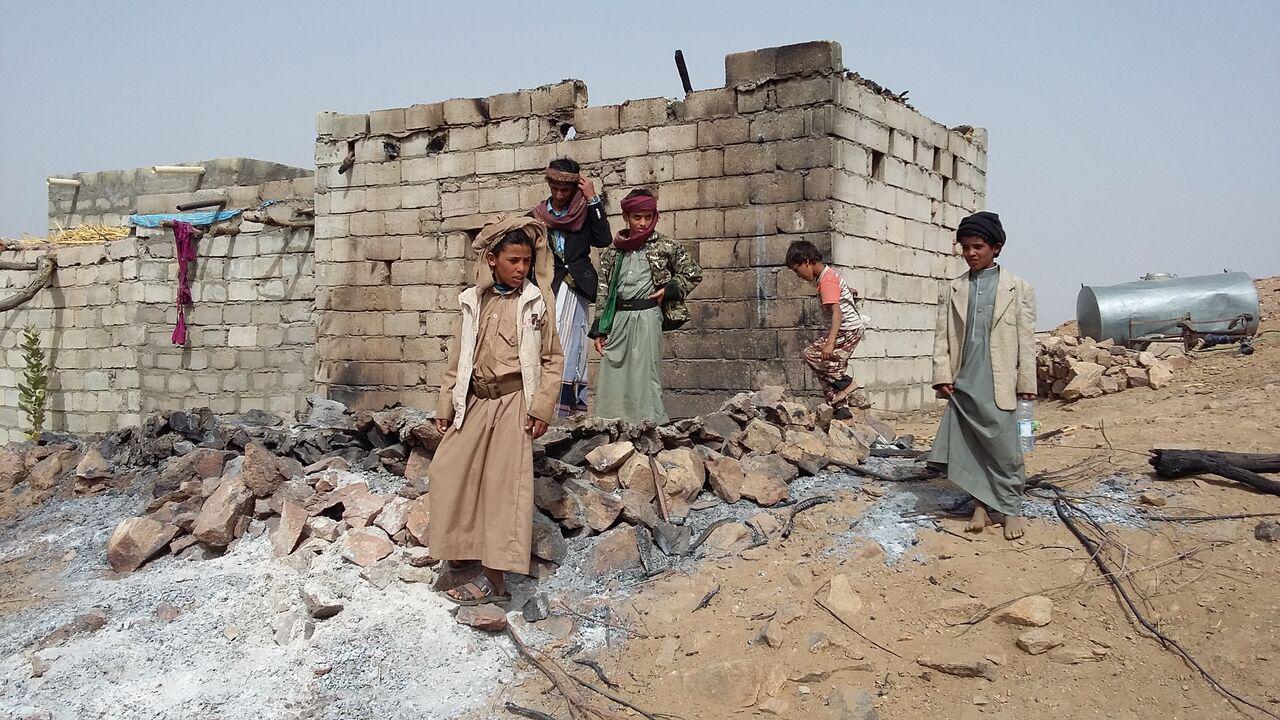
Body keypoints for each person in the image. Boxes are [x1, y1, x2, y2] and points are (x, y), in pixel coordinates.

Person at [429, 216, 564, 605]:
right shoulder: (474, 301)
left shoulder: (536, 303)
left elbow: (554, 359)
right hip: (474, 402)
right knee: (449, 470)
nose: (521, 269)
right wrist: (446, 400)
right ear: (492, 260)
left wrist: (541, 407)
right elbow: (459, 356)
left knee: (504, 487)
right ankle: (463, 557)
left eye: (525, 261)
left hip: (513, 403)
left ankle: (494, 579)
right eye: (513, 261)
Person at [927, 211, 1037, 540]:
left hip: (1000, 380)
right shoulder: (954, 289)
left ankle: (1010, 508)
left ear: (996, 248)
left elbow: (1026, 340)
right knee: (970, 447)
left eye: (977, 247)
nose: (971, 253)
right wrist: (942, 374)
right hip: (964, 381)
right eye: (965, 247)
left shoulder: (1019, 289)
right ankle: (980, 506)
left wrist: (1026, 384)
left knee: (1006, 447)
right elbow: (942, 336)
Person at [589, 189, 701, 424]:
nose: (642, 223)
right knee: (613, 367)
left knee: (645, 372)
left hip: (648, 314)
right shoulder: (613, 251)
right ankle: (611, 423)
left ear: (654, 217)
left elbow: (693, 273)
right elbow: (604, 290)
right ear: (626, 217)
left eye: (647, 217)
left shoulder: (664, 246)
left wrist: (669, 290)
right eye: (637, 217)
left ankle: (652, 425)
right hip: (619, 317)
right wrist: (600, 327)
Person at [531, 158, 612, 417]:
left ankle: (567, 410)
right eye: (554, 188)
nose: (559, 194)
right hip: (548, 287)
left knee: (571, 347)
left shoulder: (586, 212)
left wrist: (593, 199)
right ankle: (546, 406)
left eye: (565, 189)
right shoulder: (537, 216)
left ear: (575, 188)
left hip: (575, 286)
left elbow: (604, 239)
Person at [784, 240, 871, 408]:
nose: (798, 275)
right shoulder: (829, 276)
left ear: (807, 262)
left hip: (846, 330)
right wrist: (848, 291)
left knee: (810, 354)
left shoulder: (826, 281)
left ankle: (847, 385)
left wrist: (830, 343)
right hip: (848, 329)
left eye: (797, 270)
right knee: (826, 367)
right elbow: (839, 292)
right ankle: (841, 411)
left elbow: (836, 312)